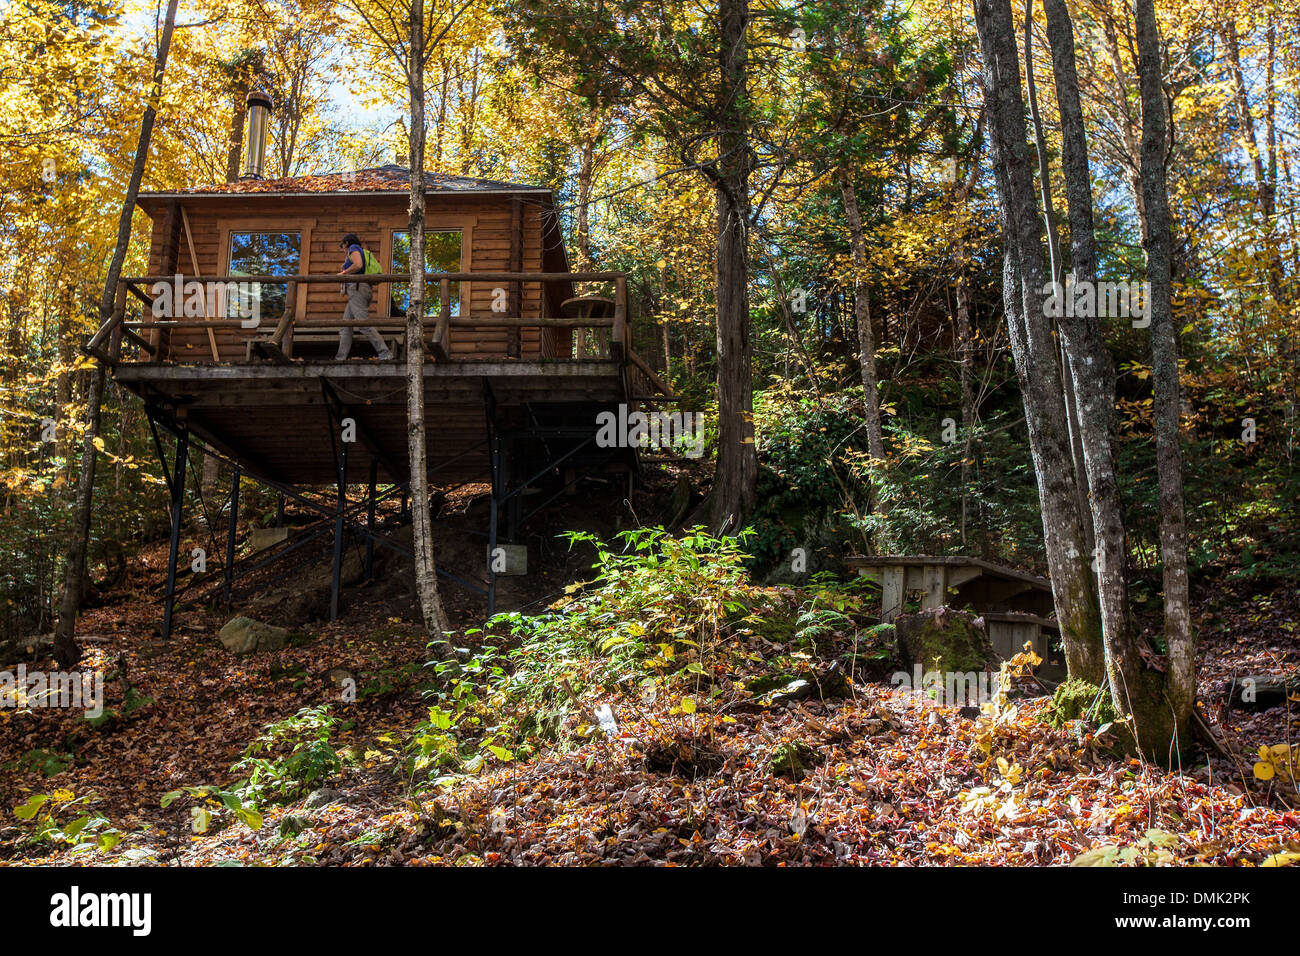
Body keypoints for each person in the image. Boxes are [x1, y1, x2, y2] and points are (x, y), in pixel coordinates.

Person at [336, 233, 392, 360]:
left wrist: (343, 273)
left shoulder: (353, 248)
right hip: (359, 290)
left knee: (363, 324)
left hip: (358, 289)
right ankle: (340, 358)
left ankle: (385, 353)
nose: (343, 249)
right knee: (346, 326)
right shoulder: (360, 250)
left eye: (342, 245)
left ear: (346, 243)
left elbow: (358, 265)